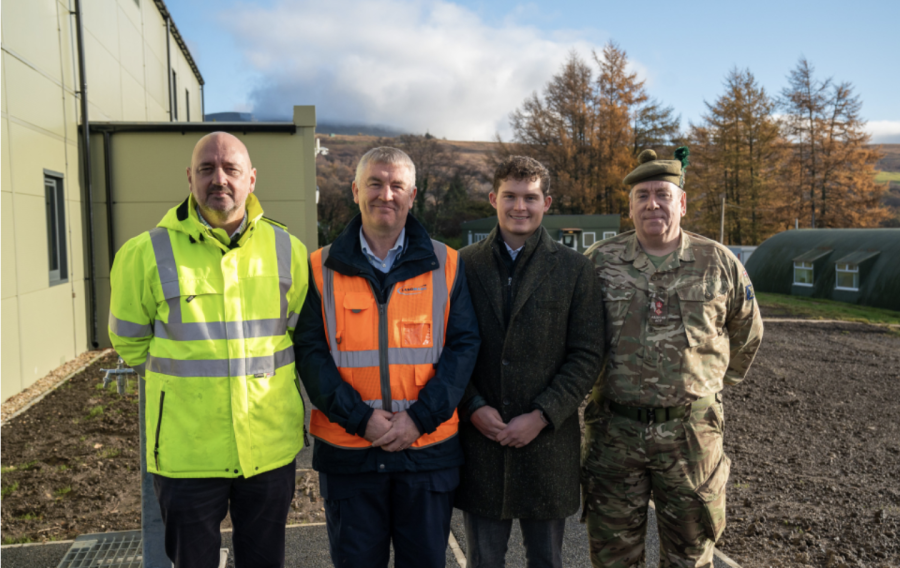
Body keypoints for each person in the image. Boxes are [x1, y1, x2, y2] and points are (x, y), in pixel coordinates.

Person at [109, 132, 309, 567]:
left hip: (268, 449)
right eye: (206, 169)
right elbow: (129, 339)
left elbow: (295, 334)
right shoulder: (145, 253)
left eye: (231, 169)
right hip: (187, 453)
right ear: (190, 177)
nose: (219, 179)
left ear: (251, 179)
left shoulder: (287, 250)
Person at [294, 147, 480, 568]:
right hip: (350, 452)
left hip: (426, 450)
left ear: (413, 195)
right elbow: (310, 353)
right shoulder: (320, 266)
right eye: (375, 183)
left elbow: (463, 346)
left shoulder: (446, 263)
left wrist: (418, 419)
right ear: (356, 189)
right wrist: (362, 419)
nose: (386, 194)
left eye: (397, 185)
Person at [581, 148, 764, 567]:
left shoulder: (718, 263)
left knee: (690, 554)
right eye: (642, 195)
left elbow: (748, 333)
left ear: (681, 202)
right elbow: (576, 339)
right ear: (630, 208)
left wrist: (705, 387)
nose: (653, 204)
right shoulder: (600, 263)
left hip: (691, 438)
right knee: (612, 556)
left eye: (662, 194)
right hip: (614, 434)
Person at [455, 156, 605, 568]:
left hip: (548, 446)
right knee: (484, 561)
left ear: (547, 202)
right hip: (482, 442)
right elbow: (447, 347)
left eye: (530, 197)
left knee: (546, 560)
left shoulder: (576, 270)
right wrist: (472, 407)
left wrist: (542, 415)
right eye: (510, 196)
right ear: (493, 199)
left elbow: (588, 353)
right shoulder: (462, 266)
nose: (520, 206)